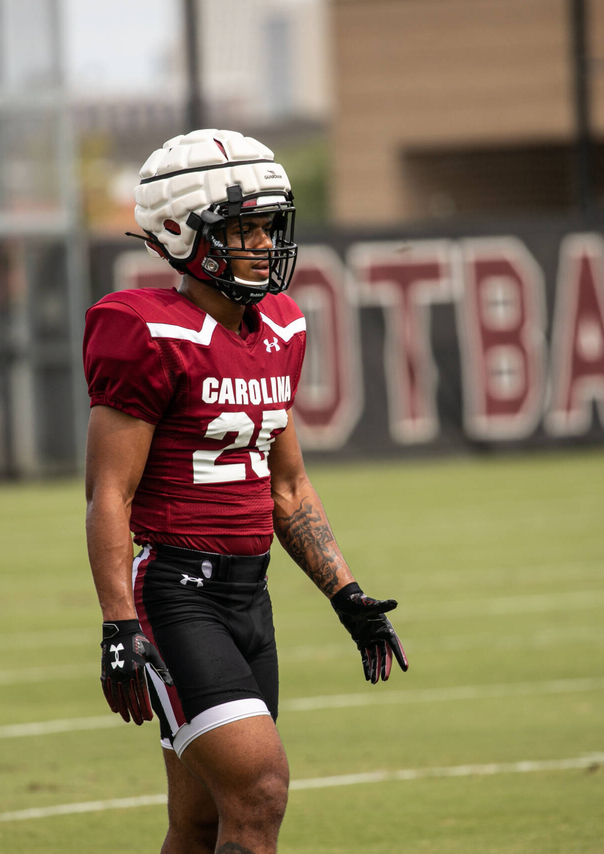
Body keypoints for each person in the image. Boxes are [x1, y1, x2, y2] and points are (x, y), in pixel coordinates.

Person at [83, 129, 408, 854]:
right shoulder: (144, 331)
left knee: (200, 825)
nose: (263, 244)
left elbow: (287, 487)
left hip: (249, 598)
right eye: (241, 229)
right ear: (182, 234)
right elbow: (109, 495)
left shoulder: (279, 328)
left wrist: (345, 593)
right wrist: (117, 624)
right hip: (177, 595)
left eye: (267, 225)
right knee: (260, 792)